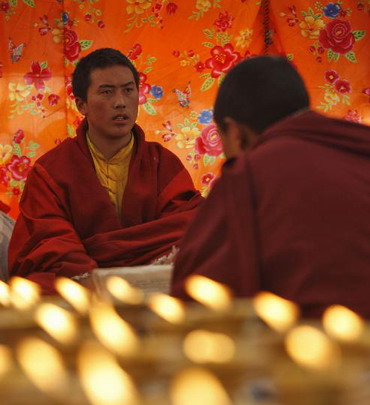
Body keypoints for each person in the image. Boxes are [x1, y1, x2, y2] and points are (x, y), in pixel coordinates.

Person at [171, 56, 370, 318]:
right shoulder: (358, 145)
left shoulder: (249, 173)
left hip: (323, 346)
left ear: (234, 132)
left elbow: (193, 292)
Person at [9, 48, 203, 293]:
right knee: (40, 285)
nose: (120, 102)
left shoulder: (162, 162)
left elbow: (187, 224)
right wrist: (89, 278)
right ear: (81, 104)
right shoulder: (51, 170)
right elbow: (47, 242)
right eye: (107, 92)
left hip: (154, 270)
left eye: (128, 90)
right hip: (84, 280)